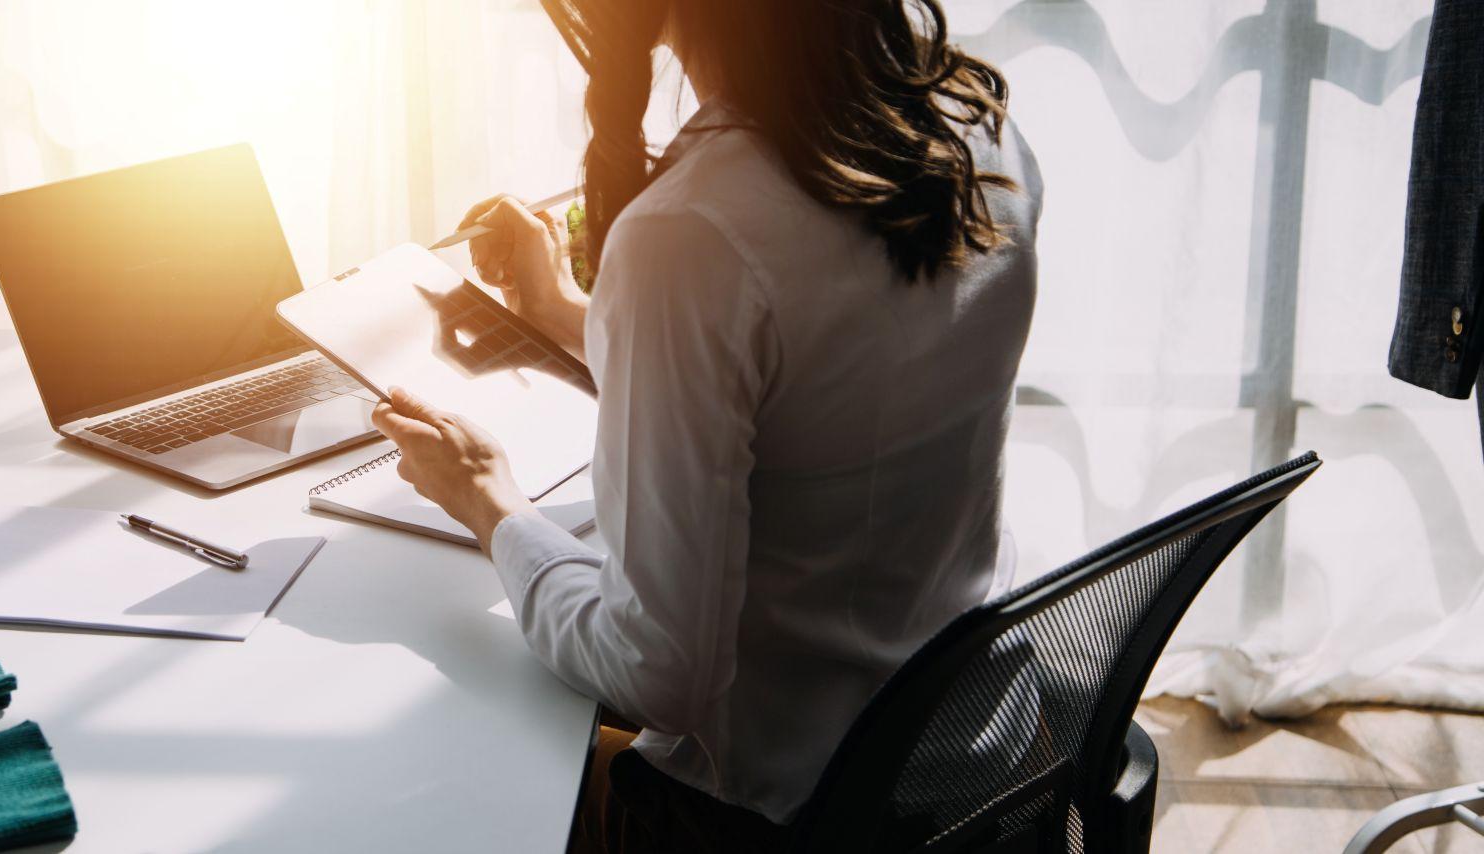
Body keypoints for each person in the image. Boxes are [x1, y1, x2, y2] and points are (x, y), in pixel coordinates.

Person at [370, 0, 1042, 850]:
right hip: (977, 754)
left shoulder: (693, 229)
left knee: (466, 764)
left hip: (793, 808)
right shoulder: (972, 123)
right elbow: (816, 374)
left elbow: (660, 672)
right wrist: (561, 311)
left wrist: (489, 504)